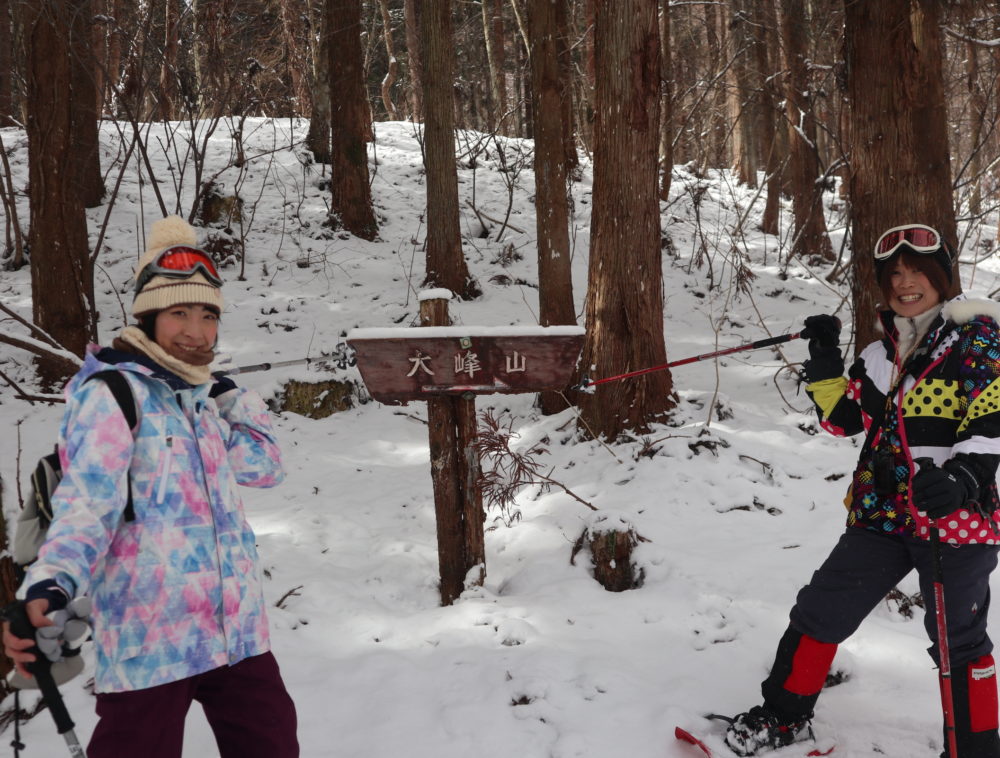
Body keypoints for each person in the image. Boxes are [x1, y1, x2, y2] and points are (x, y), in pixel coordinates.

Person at [2, 216, 299, 758]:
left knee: (273, 745)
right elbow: (86, 506)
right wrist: (50, 583)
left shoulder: (203, 402)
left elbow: (265, 466)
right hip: (152, 639)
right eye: (180, 313)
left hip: (238, 634)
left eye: (208, 315)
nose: (196, 330)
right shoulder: (112, 395)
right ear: (148, 316)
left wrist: (227, 393)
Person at [724, 224, 1000, 758]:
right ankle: (783, 718)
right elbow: (844, 419)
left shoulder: (977, 337)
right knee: (820, 610)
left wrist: (964, 479)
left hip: (956, 521)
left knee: (957, 644)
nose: (905, 282)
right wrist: (826, 358)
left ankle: (974, 750)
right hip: (882, 516)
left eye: (917, 270)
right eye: (894, 273)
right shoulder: (884, 351)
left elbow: (993, 419)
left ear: (941, 275)